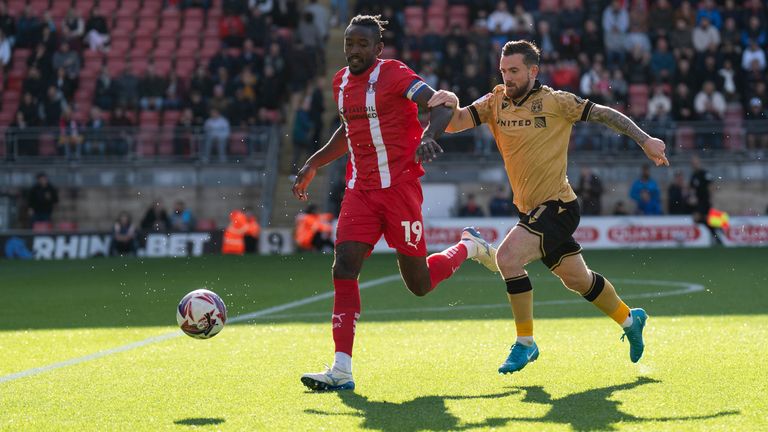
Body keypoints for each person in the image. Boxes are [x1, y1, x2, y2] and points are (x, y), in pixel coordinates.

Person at [428, 40, 669, 376]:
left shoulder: (557, 102)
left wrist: (645, 139)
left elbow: (605, 114)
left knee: (507, 258)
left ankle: (525, 343)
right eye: (503, 71)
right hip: (531, 212)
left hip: (558, 205)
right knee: (578, 280)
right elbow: (454, 122)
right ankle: (631, 320)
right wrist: (447, 100)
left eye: (514, 70)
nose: (507, 77)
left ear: (533, 71)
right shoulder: (494, 102)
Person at [292, 15, 499, 392]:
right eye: (349, 43)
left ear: (378, 48)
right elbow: (347, 129)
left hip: (400, 189)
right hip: (360, 191)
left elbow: (441, 105)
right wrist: (314, 163)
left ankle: (469, 247)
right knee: (344, 267)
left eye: (362, 44)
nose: (354, 50)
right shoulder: (339, 82)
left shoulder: (395, 75)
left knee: (418, 285)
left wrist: (428, 135)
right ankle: (341, 368)